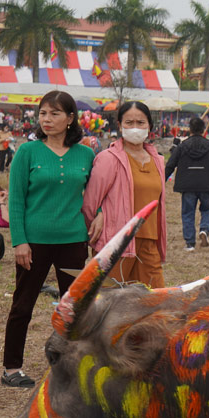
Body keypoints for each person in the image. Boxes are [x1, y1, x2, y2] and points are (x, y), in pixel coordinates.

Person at [2, 91, 94, 388]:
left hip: (73, 241)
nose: (47, 119)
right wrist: (19, 241)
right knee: (22, 305)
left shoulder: (87, 154)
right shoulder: (27, 152)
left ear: (70, 119)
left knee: (75, 308)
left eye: (55, 113)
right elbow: (16, 201)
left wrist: (102, 212)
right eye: (43, 113)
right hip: (34, 242)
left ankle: (73, 365)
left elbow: (95, 195)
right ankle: (11, 368)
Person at [82, 101, 168, 288]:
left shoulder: (158, 161)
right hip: (116, 243)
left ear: (149, 127)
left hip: (149, 241)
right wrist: (101, 215)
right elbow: (90, 203)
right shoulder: (108, 159)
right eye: (129, 123)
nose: (135, 128)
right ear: (120, 126)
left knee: (154, 301)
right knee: (109, 300)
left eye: (140, 122)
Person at [164, 116, 209, 251]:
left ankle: (190, 243)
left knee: (188, 213)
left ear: (190, 129)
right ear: (203, 130)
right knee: (206, 209)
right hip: (206, 184)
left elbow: (170, 165)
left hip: (187, 184)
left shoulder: (182, 146)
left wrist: (161, 181)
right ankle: (204, 229)